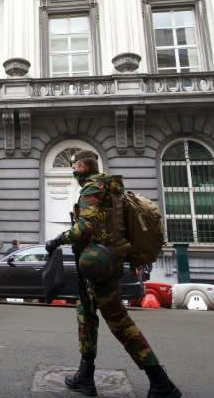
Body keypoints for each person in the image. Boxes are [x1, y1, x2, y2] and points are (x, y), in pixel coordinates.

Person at [45, 150, 181, 398]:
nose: (73, 169)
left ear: (84, 166)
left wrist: (57, 239)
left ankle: (160, 380)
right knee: (85, 312)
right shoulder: (112, 189)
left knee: (118, 320)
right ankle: (85, 375)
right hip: (107, 260)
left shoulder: (92, 189)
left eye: (74, 165)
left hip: (99, 263)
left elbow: (85, 228)